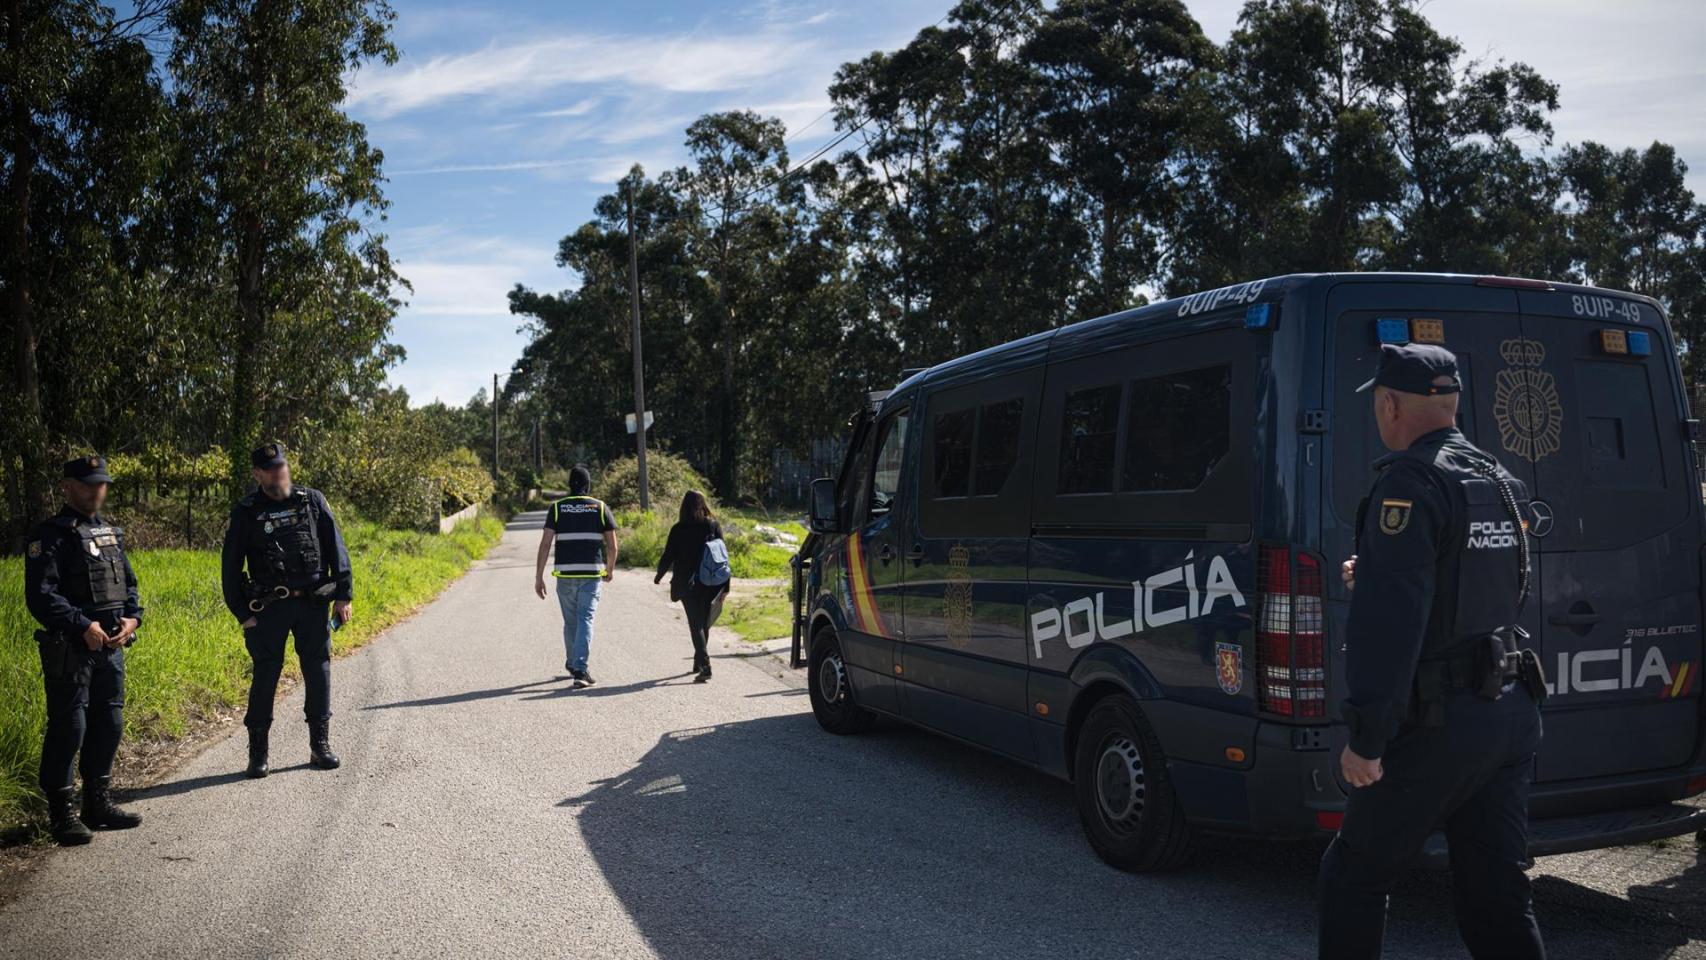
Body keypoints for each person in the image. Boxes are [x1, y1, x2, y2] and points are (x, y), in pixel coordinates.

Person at [1318, 343, 1546, 960]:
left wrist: (1367, 739)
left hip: (1438, 724)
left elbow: (1390, 626)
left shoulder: (1411, 483)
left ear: (1390, 405)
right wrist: (1379, 572)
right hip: (1506, 713)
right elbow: (1494, 587)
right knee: (1497, 895)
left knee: (1353, 878)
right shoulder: (1497, 478)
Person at [22, 456, 145, 845]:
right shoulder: (50, 536)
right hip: (72, 649)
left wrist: (133, 619)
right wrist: (81, 625)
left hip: (111, 645)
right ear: (67, 486)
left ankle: (97, 803)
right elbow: (41, 596)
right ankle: (62, 815)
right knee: (70, 727)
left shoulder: (109, 533)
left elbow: (129, 584)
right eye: (88, 483)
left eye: (101, 483)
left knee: (110, 723)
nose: (96, 490)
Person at [221, 442, 353, 778]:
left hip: (312, 604)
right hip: (268, 609)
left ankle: (320, 745)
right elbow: (230, 567)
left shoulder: (312, 501)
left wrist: (344, 595)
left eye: (282, 466)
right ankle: (258, 753)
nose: (279, 472)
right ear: (258, 474)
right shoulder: (246, 512)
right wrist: (243, 615)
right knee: (266, 675)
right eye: (271, 469)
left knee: (318, 670)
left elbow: (336, 548)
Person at [534, 466, 617, 688]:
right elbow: (612, 545)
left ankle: (573, 663)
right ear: (588, 485)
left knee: (571, 622)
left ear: (569, 485)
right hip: (591, 575)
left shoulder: (557, 508)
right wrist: (610, 569)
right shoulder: (600, 507)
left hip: (565, 575)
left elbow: (545, 544)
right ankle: (580, 669)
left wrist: (539, 576)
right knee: (585, 619)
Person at [653, 490, 729, 682]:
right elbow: (723, 558)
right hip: (710, 582)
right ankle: (698, 661)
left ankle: (705, 665)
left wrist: (659, 575)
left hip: (686, 584)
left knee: (696, 625)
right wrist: (726, 586)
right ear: (703, 504)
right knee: (703, 623)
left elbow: (668, 555)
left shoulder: (678, 529)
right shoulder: (712, 526)